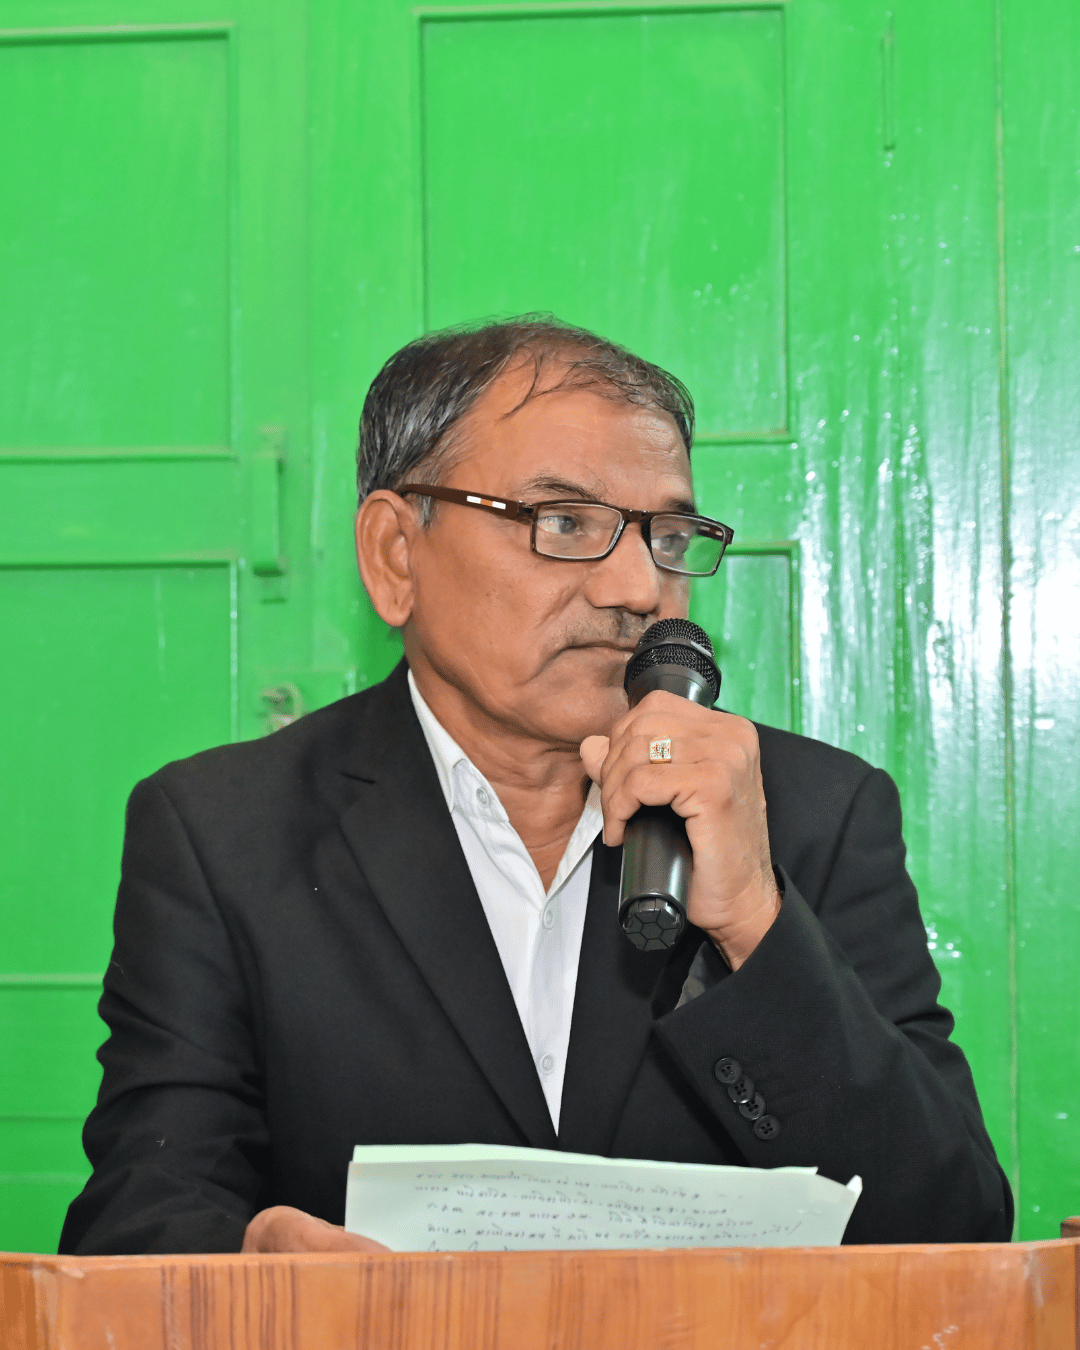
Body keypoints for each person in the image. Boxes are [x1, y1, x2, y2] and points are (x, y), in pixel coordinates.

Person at [60, 317, 1012, 1255]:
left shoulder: (812, 815)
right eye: (565, 523)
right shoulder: (223, 834)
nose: (638, 588)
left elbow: (954, 1229)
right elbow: (139, 1220)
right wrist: (253, 1260)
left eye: (667, 534)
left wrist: (755, 927)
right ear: (395, 554)